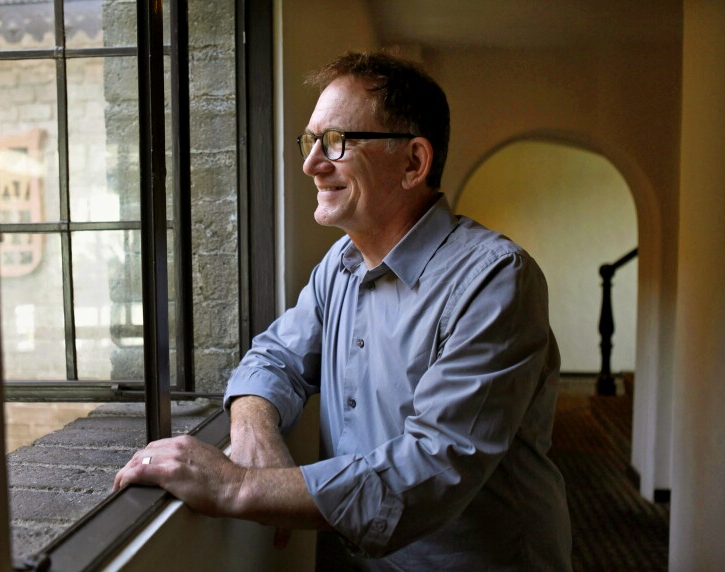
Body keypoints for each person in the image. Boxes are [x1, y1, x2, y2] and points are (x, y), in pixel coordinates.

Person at [114, 50, 572, 570]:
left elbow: (434, 467)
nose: (311, 163)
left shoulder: (495, 279)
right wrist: (253, 432)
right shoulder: (341, 264)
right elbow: (274, 356)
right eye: (311, 141)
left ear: (413, 163)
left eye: (335, 142)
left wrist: (240, 486)